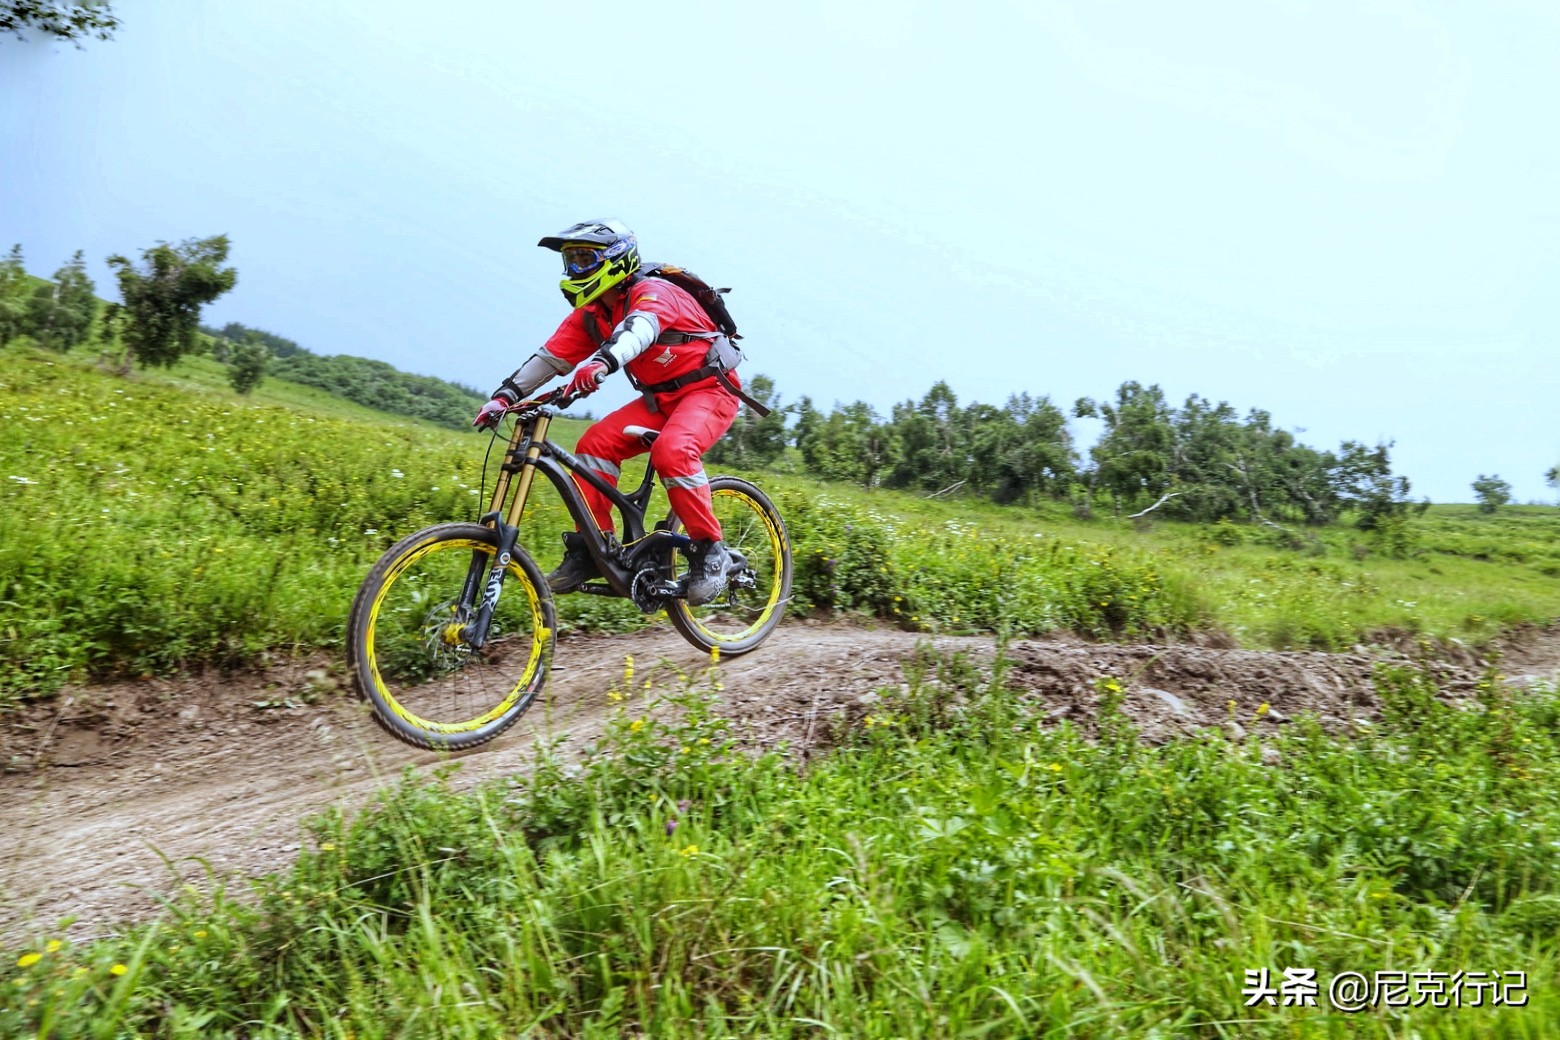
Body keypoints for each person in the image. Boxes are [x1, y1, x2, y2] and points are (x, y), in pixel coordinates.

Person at [473, 219, 741, 606]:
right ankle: (593, 547)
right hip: (660, 400)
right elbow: (550, 359)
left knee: (672, 451)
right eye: (570, 261)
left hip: (709, 390)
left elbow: (641, 330)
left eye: (584, 259)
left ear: (616, 260)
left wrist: (602, 363)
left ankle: (709, 550)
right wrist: (504, 397)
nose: (574, 270)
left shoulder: (654, 292)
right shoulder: (594, 313)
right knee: (593, 445)